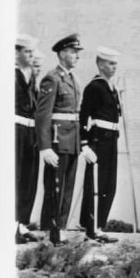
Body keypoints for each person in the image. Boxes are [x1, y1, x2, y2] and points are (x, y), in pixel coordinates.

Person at [35, 34, 84, 245]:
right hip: (57, 141)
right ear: (62, 53)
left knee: (68, 188)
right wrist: (45, 147)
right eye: (73, 52)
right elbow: (43, 115)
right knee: (55, 188)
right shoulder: (52, 79)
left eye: (77, 53)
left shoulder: (73, 79)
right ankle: (50, 231)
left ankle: (60, 229)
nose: (76, 57)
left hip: (71, 140)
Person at [77, 46, 124, 243]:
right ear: (100, 64)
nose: (114, 67)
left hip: (111, 139)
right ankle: (90, 229)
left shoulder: (111, 87)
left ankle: (100, 226)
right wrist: (84, 144)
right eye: (110, 63)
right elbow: (83, 116)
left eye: (115, 64)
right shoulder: (95, 87)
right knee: (95, 185)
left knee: (108, 185)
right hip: (98, 140)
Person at [15, 34, 40, 244]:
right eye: (26, 52)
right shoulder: (10, 74)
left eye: (32, 52)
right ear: (16, 53)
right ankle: (11, 225)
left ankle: (22, 224)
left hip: (30, 131)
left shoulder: (31, 75)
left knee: (29, 179)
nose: (30, 56)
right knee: (16, 177)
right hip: (15, 128)